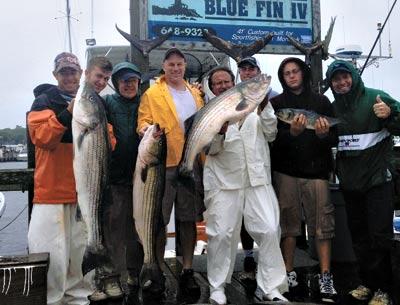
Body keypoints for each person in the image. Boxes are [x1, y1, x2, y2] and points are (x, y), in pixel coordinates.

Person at [204, 66, 288, 305]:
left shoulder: (256, 104)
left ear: (235, 82)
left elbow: (271, 133)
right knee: (220, 235)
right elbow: (211, 150)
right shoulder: (210, 111)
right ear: (212, 87)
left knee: (270, 229)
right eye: (217, 82)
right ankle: (217, 287)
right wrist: (219, 132)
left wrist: (263, 108)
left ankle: (271, 287)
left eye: (226, 81)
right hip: (223, 183)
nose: (222, 85)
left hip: (257, 180)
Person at [326, 60, 399, 305]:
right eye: (336, 79)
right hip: (351, 184)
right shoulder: (333, 109)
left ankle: (384, 290)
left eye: (345, 77)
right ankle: (366, 283)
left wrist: (390, 116)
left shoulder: (376, 98)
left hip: (378, 180)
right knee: (359, 237)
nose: (342, 82)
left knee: (380, 237)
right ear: (331, 83)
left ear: (354, 77)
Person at [137, 47, 204, 297]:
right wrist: (145, 130)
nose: (176, 68)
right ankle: (156, 269)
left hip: (191, 163)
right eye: (171, 64)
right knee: (158, 220)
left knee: (188, 220)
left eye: (180, 64)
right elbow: (142, 121)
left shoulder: (195, 93)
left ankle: (187, 269)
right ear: (163, 67)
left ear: (185, 66)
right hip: (161, 165)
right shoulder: (152, 93)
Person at [270, 57, 338, 303]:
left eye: (295, 71)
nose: (291, 76)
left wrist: (322, 136)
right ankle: (288, 274)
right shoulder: (275, 104)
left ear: (303, 73)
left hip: (317, 173)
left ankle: (326, 277)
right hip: (285, 173)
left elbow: (334, 139)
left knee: (322, 227)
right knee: (288, 227)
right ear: (282, 77)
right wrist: (292, 134)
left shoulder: (322, 102)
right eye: (286, 73)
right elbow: (271, 141)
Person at [27, 52, 92, 305]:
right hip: (51, 193)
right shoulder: (43, 101)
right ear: (55, 75)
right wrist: (67, 113)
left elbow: (108, 140)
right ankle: (51, 300)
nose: (69, 76)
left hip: (84, 193)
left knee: (80, 254)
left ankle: (79, 299)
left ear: (81, 74)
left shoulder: (92, 101)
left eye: (73, 72)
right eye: (64, 72)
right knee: (50, 255)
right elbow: (42, 137)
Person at [236, 56, 279, 293]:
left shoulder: (267, 97)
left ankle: (269, 272)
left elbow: (271, 134)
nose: (248, 72)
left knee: (267, 223)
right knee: (242, 221)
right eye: (243, 69)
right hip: (234, 175)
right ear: (240, 73)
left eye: (251, 68)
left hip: (260, 172)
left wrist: (263, 108)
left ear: (257, 72)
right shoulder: (231, 96)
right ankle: (249, 259)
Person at [102, 62, 144, 304]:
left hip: (141, 179)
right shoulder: (108, 104)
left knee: (137, 232)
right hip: (116, 179)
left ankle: (135, 275)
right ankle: (114, 277)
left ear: (139, 82)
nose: (129, 85)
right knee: (115, 232)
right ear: (116, 83)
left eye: (133, 80)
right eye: (124, 81)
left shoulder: (146, 102)